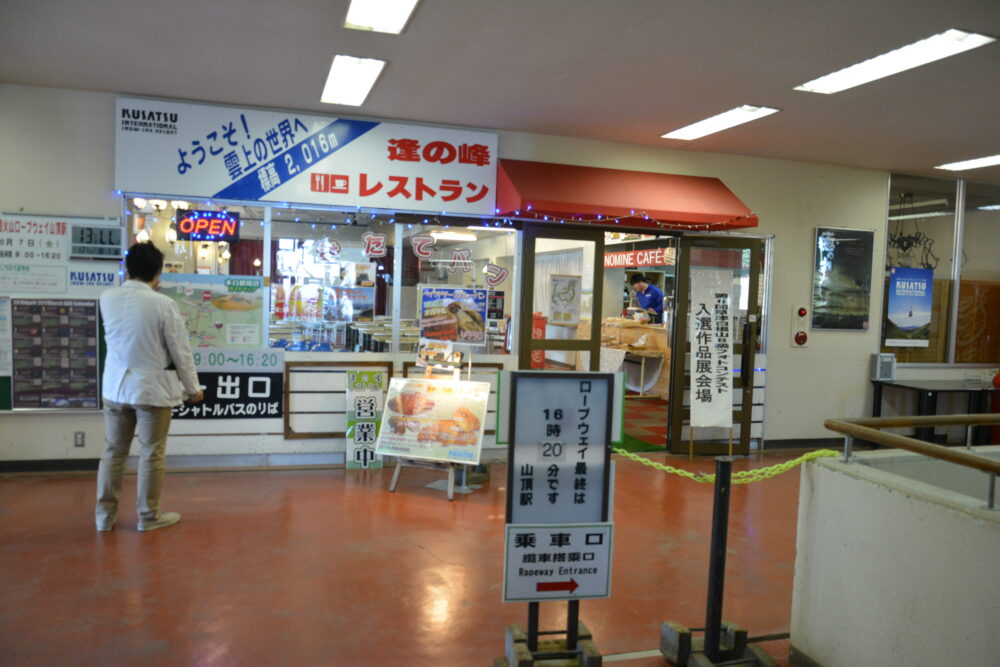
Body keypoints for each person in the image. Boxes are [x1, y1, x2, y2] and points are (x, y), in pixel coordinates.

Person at [95, 242, 203, 532]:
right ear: (158, 273)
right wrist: (193, 387)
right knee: (151, 452)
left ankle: (104, 518)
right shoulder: (163, 304)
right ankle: (149, 516)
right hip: (151, 390)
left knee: (113, 452)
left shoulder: (107, 298)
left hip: (115, 389)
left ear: (128, 268)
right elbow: (180, 350)